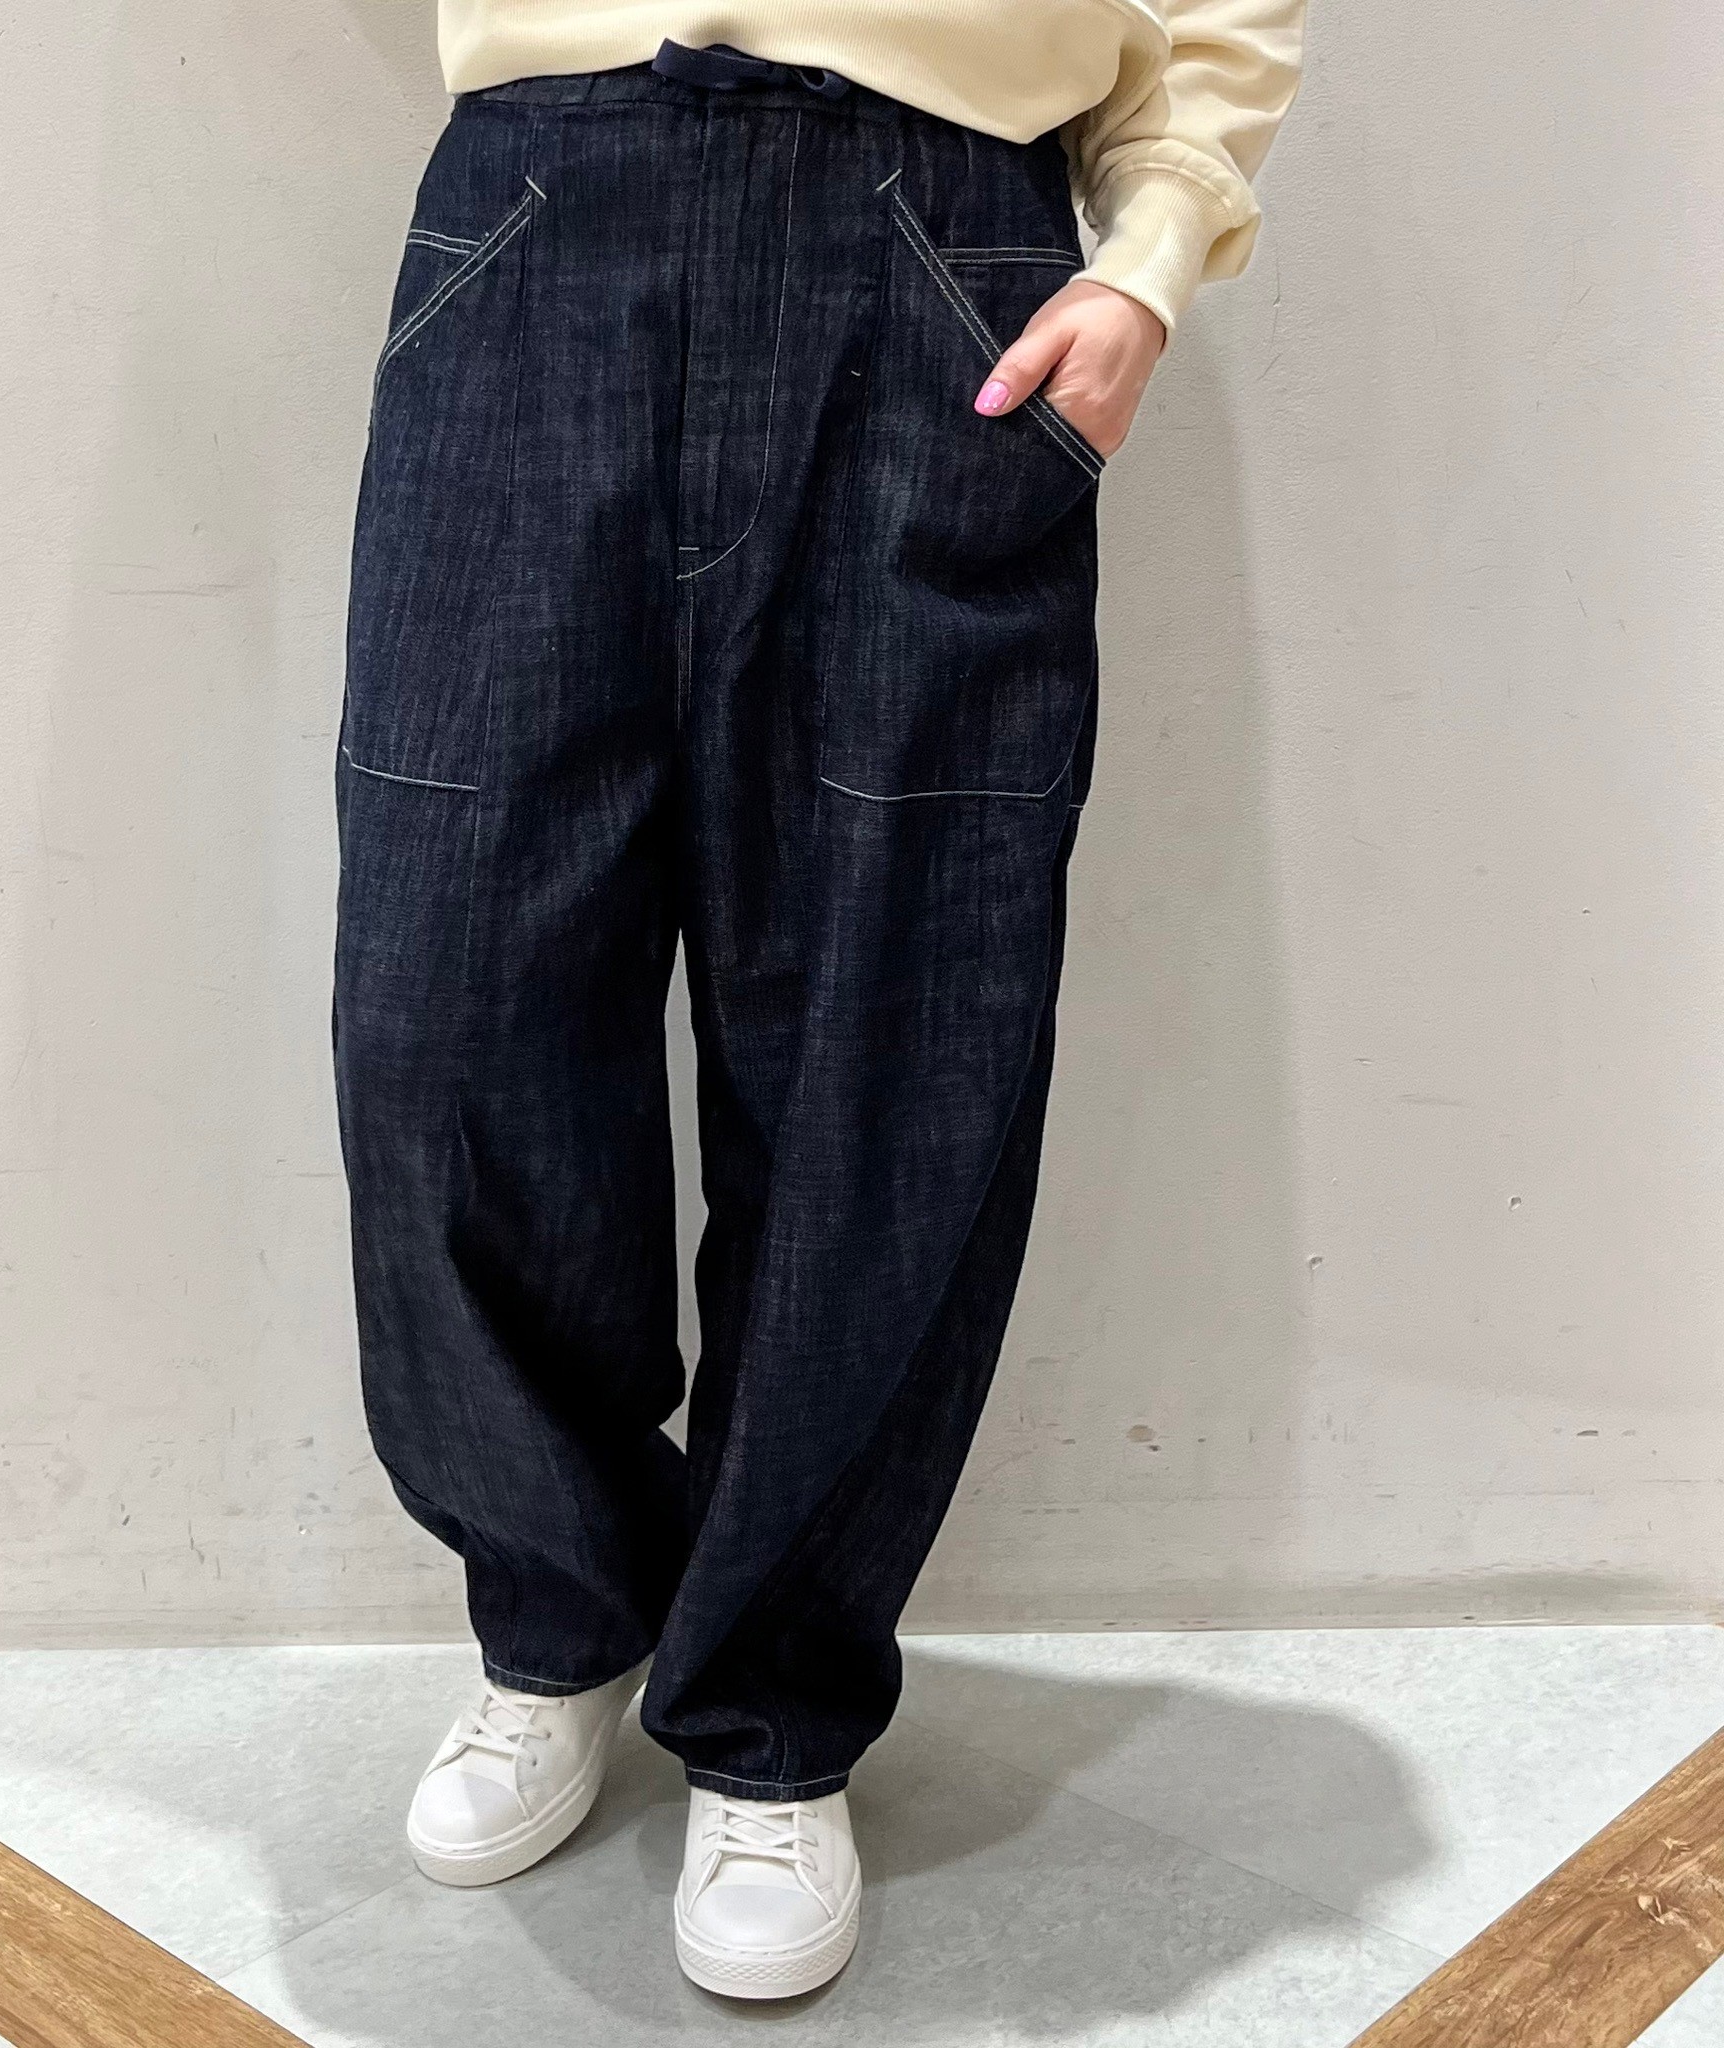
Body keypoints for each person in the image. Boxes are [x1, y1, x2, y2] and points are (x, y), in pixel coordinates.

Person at [333, 0, 1302, 2000]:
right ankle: (559, 1613)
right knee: (446, 1002)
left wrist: (1147, 259)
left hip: (936, 236)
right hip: (541, 212)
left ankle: (772, 1707)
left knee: (893, 1020)